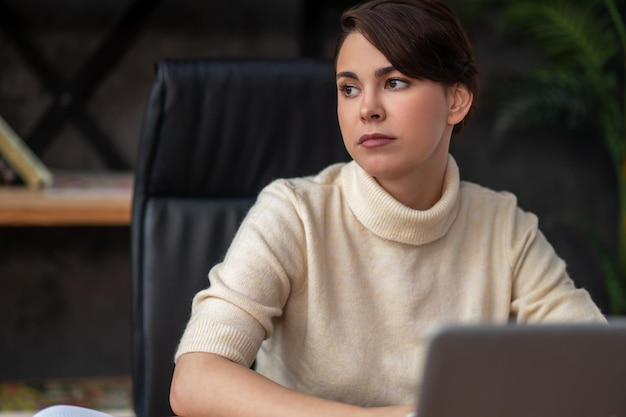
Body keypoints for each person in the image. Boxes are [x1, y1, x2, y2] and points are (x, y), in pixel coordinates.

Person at [32, 1, 606, 417]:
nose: (368, 110)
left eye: (396, 82)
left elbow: (596, 371)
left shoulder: (503, 227)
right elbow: (195, 380)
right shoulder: (294, 212)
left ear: (457, 99)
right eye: (349, 88)